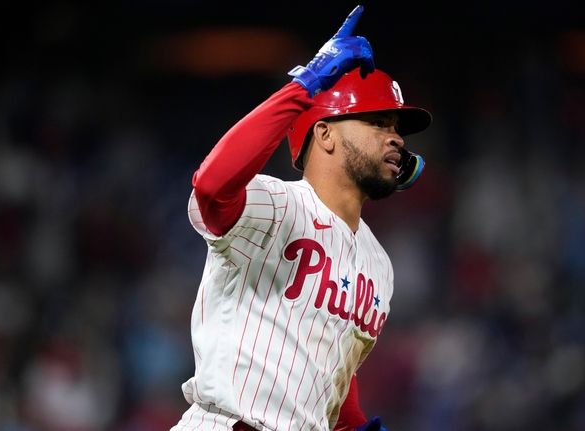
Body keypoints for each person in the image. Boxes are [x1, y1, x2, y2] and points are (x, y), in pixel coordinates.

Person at [172, 5, 432, 431]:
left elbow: (333, 374)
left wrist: (354, 427)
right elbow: (211, 186)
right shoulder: (276, 204)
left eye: (396, 127)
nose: (396, 138)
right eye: (377, 121)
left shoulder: (379, 266)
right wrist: (303, 88)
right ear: (325, 133)